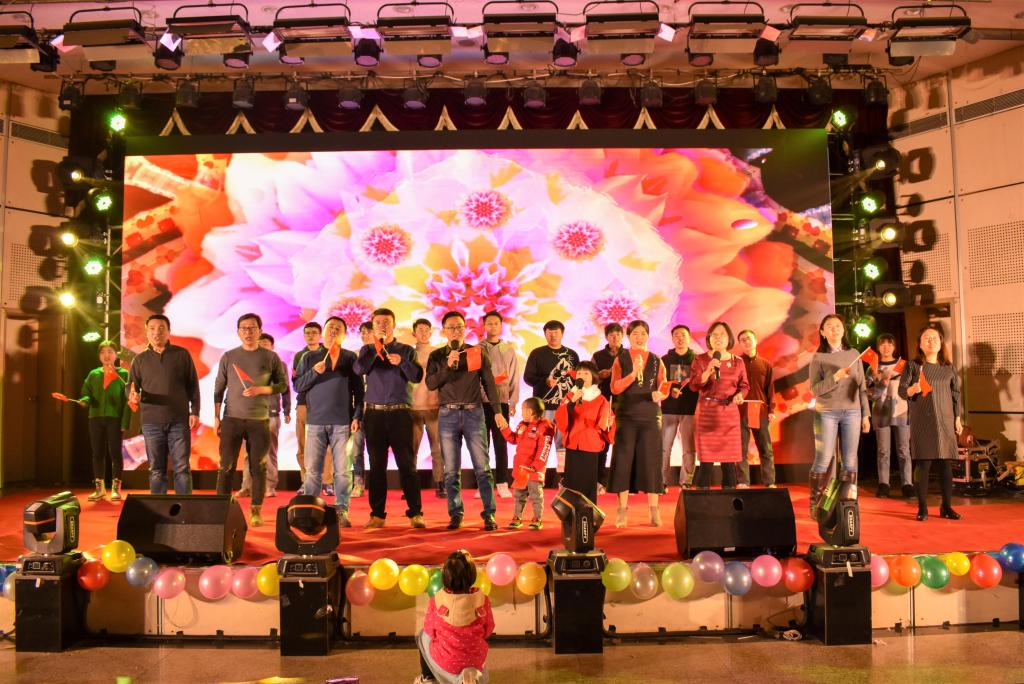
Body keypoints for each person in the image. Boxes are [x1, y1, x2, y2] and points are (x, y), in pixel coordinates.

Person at [426, 311, 507, 531]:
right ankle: (455, 513)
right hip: (448, 415)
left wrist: (497, 411)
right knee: (451, 470)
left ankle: (489, 514)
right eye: (451, 327)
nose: (456, 331)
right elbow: (431, 384)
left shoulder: (475, 352)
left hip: (474, 413)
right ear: (444, 331)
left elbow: (489, 384)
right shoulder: (436, 356)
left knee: (482, 468)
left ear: (465, 329)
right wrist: (447, 365)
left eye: (460, 327)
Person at [213, 314, 288, 527]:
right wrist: (216, 417)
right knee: (226, 466)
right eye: (244, 328)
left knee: (259, 467)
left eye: (252, 328)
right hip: (232, 419)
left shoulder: (270, 357)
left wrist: (261, 390)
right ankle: (221, 510)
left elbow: (282, 385)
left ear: (260, 330)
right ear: (238, 332)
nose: (248, 332)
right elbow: (219, 388)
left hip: (259, 420)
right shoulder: (229, 356)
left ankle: (256, 510)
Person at [353, 308, 425, 529]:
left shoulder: (406, 350)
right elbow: (358, 369)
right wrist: (376, 349)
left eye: (386, 322)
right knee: (376, 467)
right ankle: (377, 515)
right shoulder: (367, 350)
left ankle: (415, 513)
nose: (382, 325)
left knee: (407, 465)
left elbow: (417, 376)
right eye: (378, 322)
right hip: (374, 414)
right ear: (373, 326)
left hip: (400, 413)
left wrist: (401, 362)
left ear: (393, 325)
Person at [294, 316, 364, 527]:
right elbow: (298, 386)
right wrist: (314, 372)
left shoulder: (349, 357)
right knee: (313, 471)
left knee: (342, 471)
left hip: (342, 422)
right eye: (330, 327)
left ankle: (341, 510)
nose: (334, 330)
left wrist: (357, 416)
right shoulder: (308, 357)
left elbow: (358, 391)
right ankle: (311, 511)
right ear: (323, 333)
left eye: (338, 328)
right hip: (315, 422)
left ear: (344, 334)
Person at [128, 314, 199, 495]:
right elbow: (131, 386)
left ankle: (185, 507)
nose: (156, 332)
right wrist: (132, 396)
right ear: (147, 332)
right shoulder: (140, 359)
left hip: (179, 420)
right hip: (151, 422)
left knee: (182, 468)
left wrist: (195, 411)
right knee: (156, 469)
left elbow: (193, 384)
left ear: (168, 331)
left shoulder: (181, 354)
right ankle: (159, 507)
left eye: (161, 328)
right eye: (152, 329)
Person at [807, 314, 870, 516]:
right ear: (823, 332)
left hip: (852, 412)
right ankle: (817, 505)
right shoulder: (818, 357)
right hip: (827, 412)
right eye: (829, 326)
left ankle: (847, 504)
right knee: (824, 459)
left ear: (844, 330)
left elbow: (862, 388)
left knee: (850, 461)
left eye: (838, 326)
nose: (834, 329)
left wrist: (865, 415)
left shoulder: (854, 354)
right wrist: (835, 377)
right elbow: (815, 390)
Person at [608, 320, 668, 528]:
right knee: (623, 462)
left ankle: (654, 510)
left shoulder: (657, 360)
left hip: (650, 416)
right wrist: (633, 374)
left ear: (648, 336)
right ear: (629, 336)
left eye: (643, 333)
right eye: (635, 334)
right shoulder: (621, 359)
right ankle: (622, 510)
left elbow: (663, 385)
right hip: (626, 415)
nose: (639, 337)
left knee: (652, 462)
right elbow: (615, 388)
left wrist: (662, 393)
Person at [900, 326, 964, 521]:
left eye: (935, 338)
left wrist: (957, 417)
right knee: (924, 464)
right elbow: (902, 391)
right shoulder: (913, 366)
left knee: (945, 464)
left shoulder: (948, 367)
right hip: (922, 420)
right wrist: (912, 389)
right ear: (920, 344)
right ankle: (922, 508)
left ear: (941, 342)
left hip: (945, 419)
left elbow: (956, 394)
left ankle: (947, 506)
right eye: (926, 338)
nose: (931, 341)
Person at [54, 339, 131, 502]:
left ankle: (116, 489)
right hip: (95, 418)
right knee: (97, 453)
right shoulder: (94, 374)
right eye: (103, 352)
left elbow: (128, 402)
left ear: (116, 354)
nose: (106, 355)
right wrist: (84, 401)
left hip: (115, 418)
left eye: (110, 352)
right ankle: (99, 489)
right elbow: (86, 394)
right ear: (99, 356)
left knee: (115, 453)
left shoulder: (123, 374)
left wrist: (125, 422)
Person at [415, 550, 494, 684]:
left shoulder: (436, 601)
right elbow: (488, 630)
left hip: (447, 665)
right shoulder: (483, 600)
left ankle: (427, 679)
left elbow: (430, 631)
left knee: (423, 635)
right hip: (475, 661)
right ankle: (469, 676)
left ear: (445, 576)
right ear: (472, 575)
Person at [689, 321, 749, 491]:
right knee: (706, 464)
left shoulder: (738, 361)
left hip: (729, 414)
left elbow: (744, 386)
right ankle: (702, 501)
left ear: (729, 338)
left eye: (722, 334)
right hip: (707, 413)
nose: (718, 338)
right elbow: (694, 385)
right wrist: (708, 370)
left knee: (729, 464)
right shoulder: (700, 359)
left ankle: (729, 499)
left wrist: (740, 395)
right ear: (709, 338)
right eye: (714, 335)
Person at [237, 333, 291, 499]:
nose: (262, 346)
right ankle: (247, 486)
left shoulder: (279, 364)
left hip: (271, 413)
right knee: (249, 452)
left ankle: (269, 486)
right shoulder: (247, 363)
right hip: (249, 414)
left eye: (266, 343)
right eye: (260, 343)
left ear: (273, 346)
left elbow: (285, 389)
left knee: (269, 451)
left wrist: (287, 410)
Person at [523, 320, 580, 476]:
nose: (553, 336)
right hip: (543, 408)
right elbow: (528, 378)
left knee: (564, 444)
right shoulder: (537, 353)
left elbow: (578, 380)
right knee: (541, 444)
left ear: (562, 334)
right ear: (545, 334)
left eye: (556, 332)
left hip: (565, 408)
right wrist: (545, 381)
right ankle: (537, 478)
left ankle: (564, 479)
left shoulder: (572, 355)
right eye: (550, 333)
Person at [555, 361, 615, 504]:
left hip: (591, 444)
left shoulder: (601, 399)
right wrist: (572, 402)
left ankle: (587, 514)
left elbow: (608, 424)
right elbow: (560, 418)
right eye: (579, 373)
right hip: (573, 444)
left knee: (588, 484)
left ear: (593, 376)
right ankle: (570, 514)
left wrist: (609, 423)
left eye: (586, 373)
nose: (582, 376)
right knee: (572, 483)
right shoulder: (570, 395)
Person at [480, 311, 520, 500]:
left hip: (502, 401)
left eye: (496, 323)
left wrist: (513, 401)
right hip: (482, 401)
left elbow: (514, 377)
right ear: (484, 326)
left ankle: (502, 482)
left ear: (501, 325)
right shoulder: (478, 349)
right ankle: (483, 484)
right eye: (489, 323)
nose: (493, 326)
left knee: (500, 443)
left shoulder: (508, 350)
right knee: (482, 444)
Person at [868, 333, 913, 499]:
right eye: (882, 344)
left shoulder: (904, 365)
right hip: (881, 413)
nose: (886, 347)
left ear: (894, 347)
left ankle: (907, 484)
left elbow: (910, 389)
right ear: (878, 347)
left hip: (901, 411)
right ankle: (883, 484)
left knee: (904, 450)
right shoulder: (873, 367)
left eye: (890, 344)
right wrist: (882, 384)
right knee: (883, 451)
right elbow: (869, 394)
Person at [500, 397, 553, 529]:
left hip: (534, 471)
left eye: (523, 409)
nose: (521, 412)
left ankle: (537, 519)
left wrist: (535, 466)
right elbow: (513, 439)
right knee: (519, 495)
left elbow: (544, 450)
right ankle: (517, 517)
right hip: (521, 469)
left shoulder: (545, 427)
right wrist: (505, 428)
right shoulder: (522, 425)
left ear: (530, 411)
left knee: (536, 496)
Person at [293, 321, 333, 493]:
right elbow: (297, 382)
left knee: (327, 445)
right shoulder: (299, 356)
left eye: (314, 333)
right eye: (307, 333)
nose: (310, 336)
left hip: (324, 405)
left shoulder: (328, 353)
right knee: (303, 444)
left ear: (320, 335)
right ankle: (305, 480)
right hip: (304, 403)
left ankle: (327, 481)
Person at [736, 329, 776, 488]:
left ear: (755, 340)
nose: (747, 342)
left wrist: (771, 410)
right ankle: (743, 481)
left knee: (765, 448)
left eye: (749, 338)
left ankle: (769, 482)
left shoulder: (766, 364)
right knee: (741, 449)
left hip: (760, 410)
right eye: (743, 340)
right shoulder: (736, 363)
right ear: (740, 344)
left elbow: (770, 389)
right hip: (740, 411)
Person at [660, 325, 698, 489]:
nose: (680, 338)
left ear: (689, 338)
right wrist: (669, 390)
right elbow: (659, 383)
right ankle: (661, 481)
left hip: (690, 410)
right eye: (676, 335)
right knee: (664, 448)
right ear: (672, 338)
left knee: (688, 448)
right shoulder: (664, 360)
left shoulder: (697, 360)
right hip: (668, 410)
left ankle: (686, 481)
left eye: (683, 335)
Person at [591, 323, 627, 493]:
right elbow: (590, 378)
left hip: (625, 403)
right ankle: (600, 480)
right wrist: (600, 376)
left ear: (622, 336)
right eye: (611, 335)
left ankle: (622, 481)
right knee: (603, 444)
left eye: (618, 334)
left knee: (624, 444)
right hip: (604, 403)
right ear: (606, 337)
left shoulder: (629, 354)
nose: (615, 338)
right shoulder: (598, 356)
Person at [411, 318, 444, 499]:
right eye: (420, 329)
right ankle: (410, 485)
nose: (423, 332)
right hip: (413, 408)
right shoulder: (408, 353)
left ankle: (440, 484)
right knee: (412, 450)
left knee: (437, 449)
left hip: (434, 407)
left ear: (431, 333)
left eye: (426, 329)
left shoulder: (438, 353)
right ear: (414, 333)